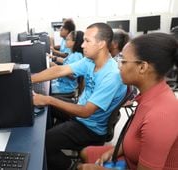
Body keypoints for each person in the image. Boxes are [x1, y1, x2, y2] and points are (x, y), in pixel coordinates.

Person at [32, 22, 127, 170]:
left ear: (101, 44)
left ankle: (73, 166)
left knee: (42, 143)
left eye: (87, 41)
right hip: (80, 113)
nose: (82, 45)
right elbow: (59, 71)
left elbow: (85, 111)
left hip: (90, 128)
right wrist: (28, 80)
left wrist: (48, 100)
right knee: (47, 106)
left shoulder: (111, 75)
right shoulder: (90, 60)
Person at [78, 33, 178, 170]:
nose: (119, 66)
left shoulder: (160, 116)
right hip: (132, 157)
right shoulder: (152, 94)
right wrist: (112, 151)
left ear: (142, 67)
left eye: (123, 61)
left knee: (83, 167)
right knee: (85, 153)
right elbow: (135, 140)